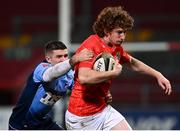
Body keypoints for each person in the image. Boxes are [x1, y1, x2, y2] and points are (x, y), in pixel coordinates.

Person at [65, 6, 172, 130]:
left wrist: (157, 74)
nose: (123, 37)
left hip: (102, 110)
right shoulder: (91, 45)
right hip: (81, 117)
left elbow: (132, 62)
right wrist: (112, 73)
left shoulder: (116, 48)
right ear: (106, 31)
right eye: (119, 32)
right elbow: (83, 77)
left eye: (125, 32)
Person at [8, 40, 93, 130]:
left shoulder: (68, 74)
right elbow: (51, 74)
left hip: (41, 121)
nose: (64, 59)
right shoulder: (41, 69)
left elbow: (82, 88)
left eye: (65, 56)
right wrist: (74, 59)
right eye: (59, 56)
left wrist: (102, 94)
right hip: (21, 123)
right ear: (48, 59)